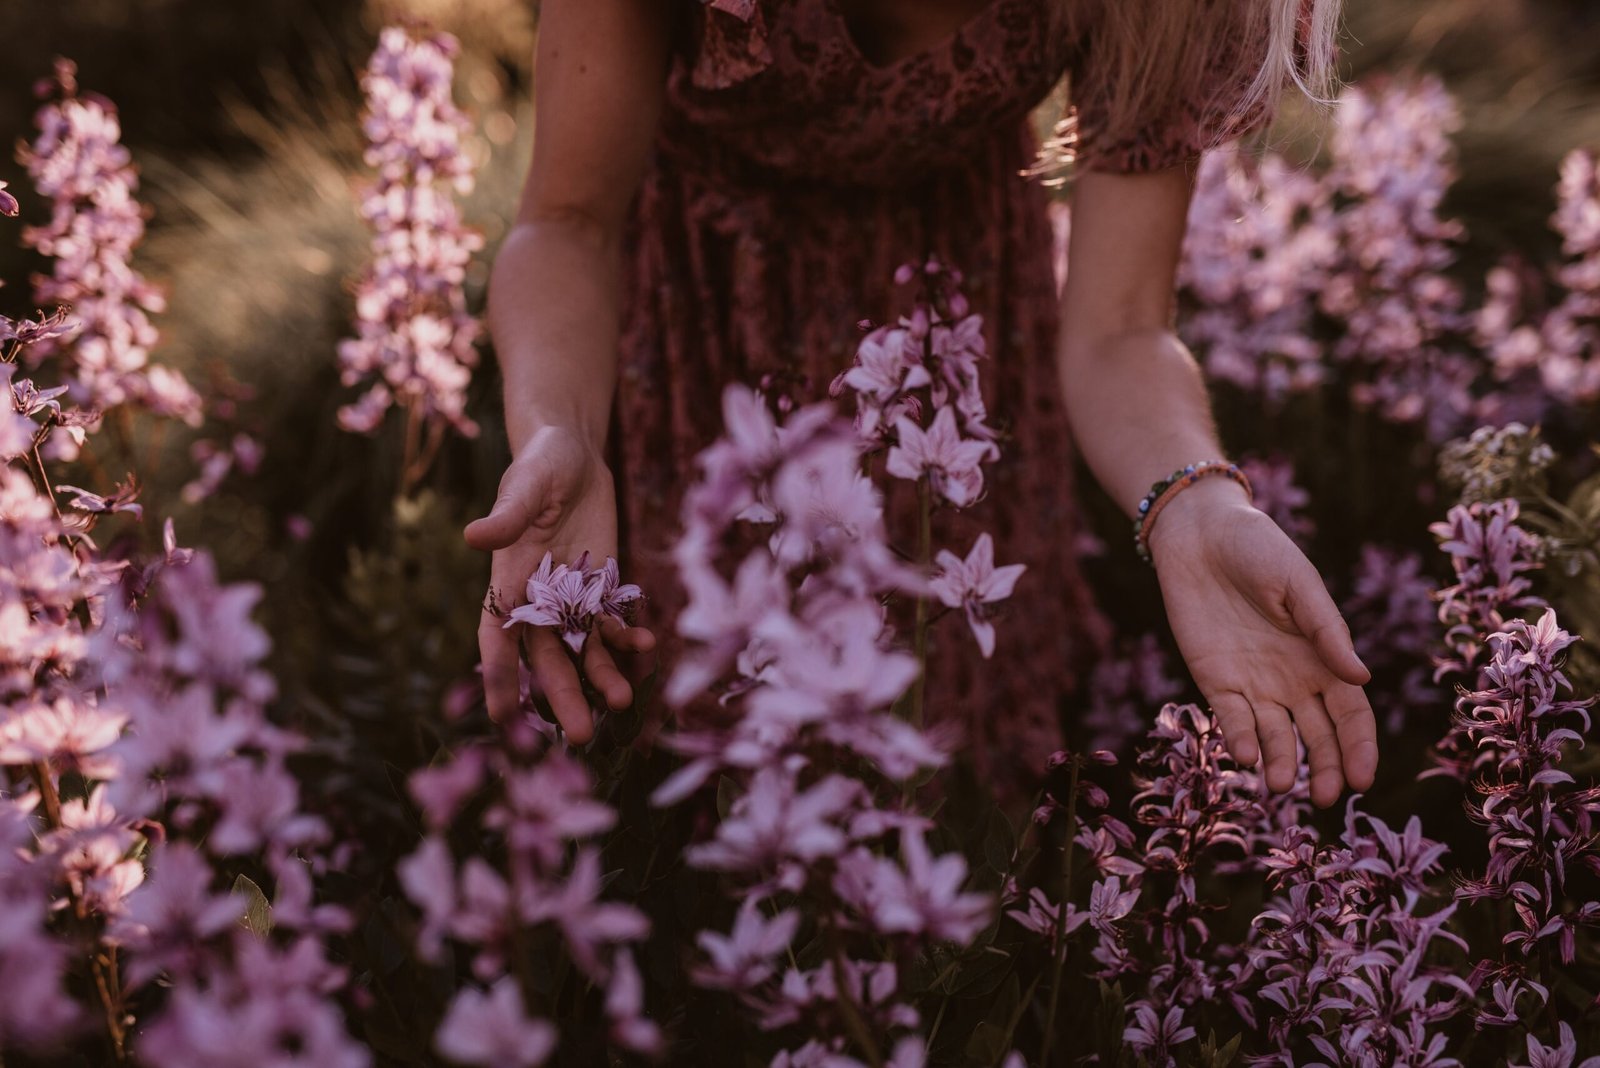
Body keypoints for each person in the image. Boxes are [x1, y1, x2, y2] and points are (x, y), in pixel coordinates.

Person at [463, 0, 1379, 810]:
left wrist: (1198, 503)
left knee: (952, 757)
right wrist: (560, 428)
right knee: (720, 762)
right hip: (704, 317)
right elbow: (567, 224)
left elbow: (1121, 331)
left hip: (962, 347)